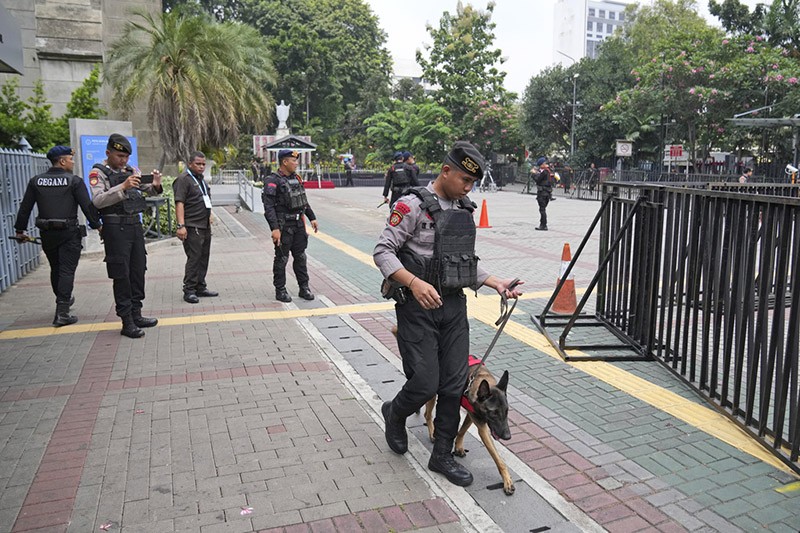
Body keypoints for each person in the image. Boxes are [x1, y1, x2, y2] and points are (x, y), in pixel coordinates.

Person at [373, 140, 523, 488]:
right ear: (446, 171)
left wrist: (497, 283)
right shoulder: (410, 206)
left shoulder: (463, 209)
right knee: (426, 381)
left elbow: (464, 263)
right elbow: (383, 251)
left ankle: (441, 454)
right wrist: (413, 283)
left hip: (453, 306)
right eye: (465, 181)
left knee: (454, 385)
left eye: (473, 183)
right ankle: (394, 413)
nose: (469, 189)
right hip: (417, 306)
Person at [14, 146, 103, 326]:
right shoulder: (74, 181)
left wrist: (20, 230)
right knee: (66, 271)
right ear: (62, 161)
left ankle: (63, 301)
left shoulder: (36, 181)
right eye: (70, 159)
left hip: (47, 234)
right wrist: (99, 226)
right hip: (69, 233)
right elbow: (88, 207)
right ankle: (62, 312)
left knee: (56, 268)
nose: (72, 162)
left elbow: (25, 208)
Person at [89, 133, 162, 338]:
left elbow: (148, 190)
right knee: (122, 275)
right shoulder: (98, 172)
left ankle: (137, 313)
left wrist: (156, 184)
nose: (123, 161)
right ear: (108, 153)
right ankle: (126, 321)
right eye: (119, 156)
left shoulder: (131, 170)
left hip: (134, 227)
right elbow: (98, 200)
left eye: (126, 157)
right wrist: (122, 187)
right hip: (114, 229)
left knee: (138, 271)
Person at [263, 149, 319, 303]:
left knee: (300, 257)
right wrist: (274, 229)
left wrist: (312, 217)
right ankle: (280, 290)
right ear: (284, 162)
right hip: (283, 226)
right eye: (293, 161)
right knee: (282, 258)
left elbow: (303, 200)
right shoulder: (272, 181)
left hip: (298, 225)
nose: (296, 163)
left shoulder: (296, 178)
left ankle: (304, 287)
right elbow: (268, 207)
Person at [173, 151, 219, 304]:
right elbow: (180, 203)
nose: (201, 167)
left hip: (204, 225)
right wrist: (181, 225)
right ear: (190, 164)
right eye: (198, 164)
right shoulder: (183, 180)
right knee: (194, 258)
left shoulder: (201, 180)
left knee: (203, 257)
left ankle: (200, 286)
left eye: (203, 164)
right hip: (192, 226)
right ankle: (189, 290)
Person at [534, 157, 553, 230]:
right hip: (547, 193)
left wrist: (534, 174)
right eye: (544, 163)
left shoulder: (544, 172)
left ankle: (543, 225)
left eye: (545, 163)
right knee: (543, 209)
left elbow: (538, 180)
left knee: (542, 209)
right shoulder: (547, 171)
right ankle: (543, 224)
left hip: (543, 193)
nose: (546, 164)